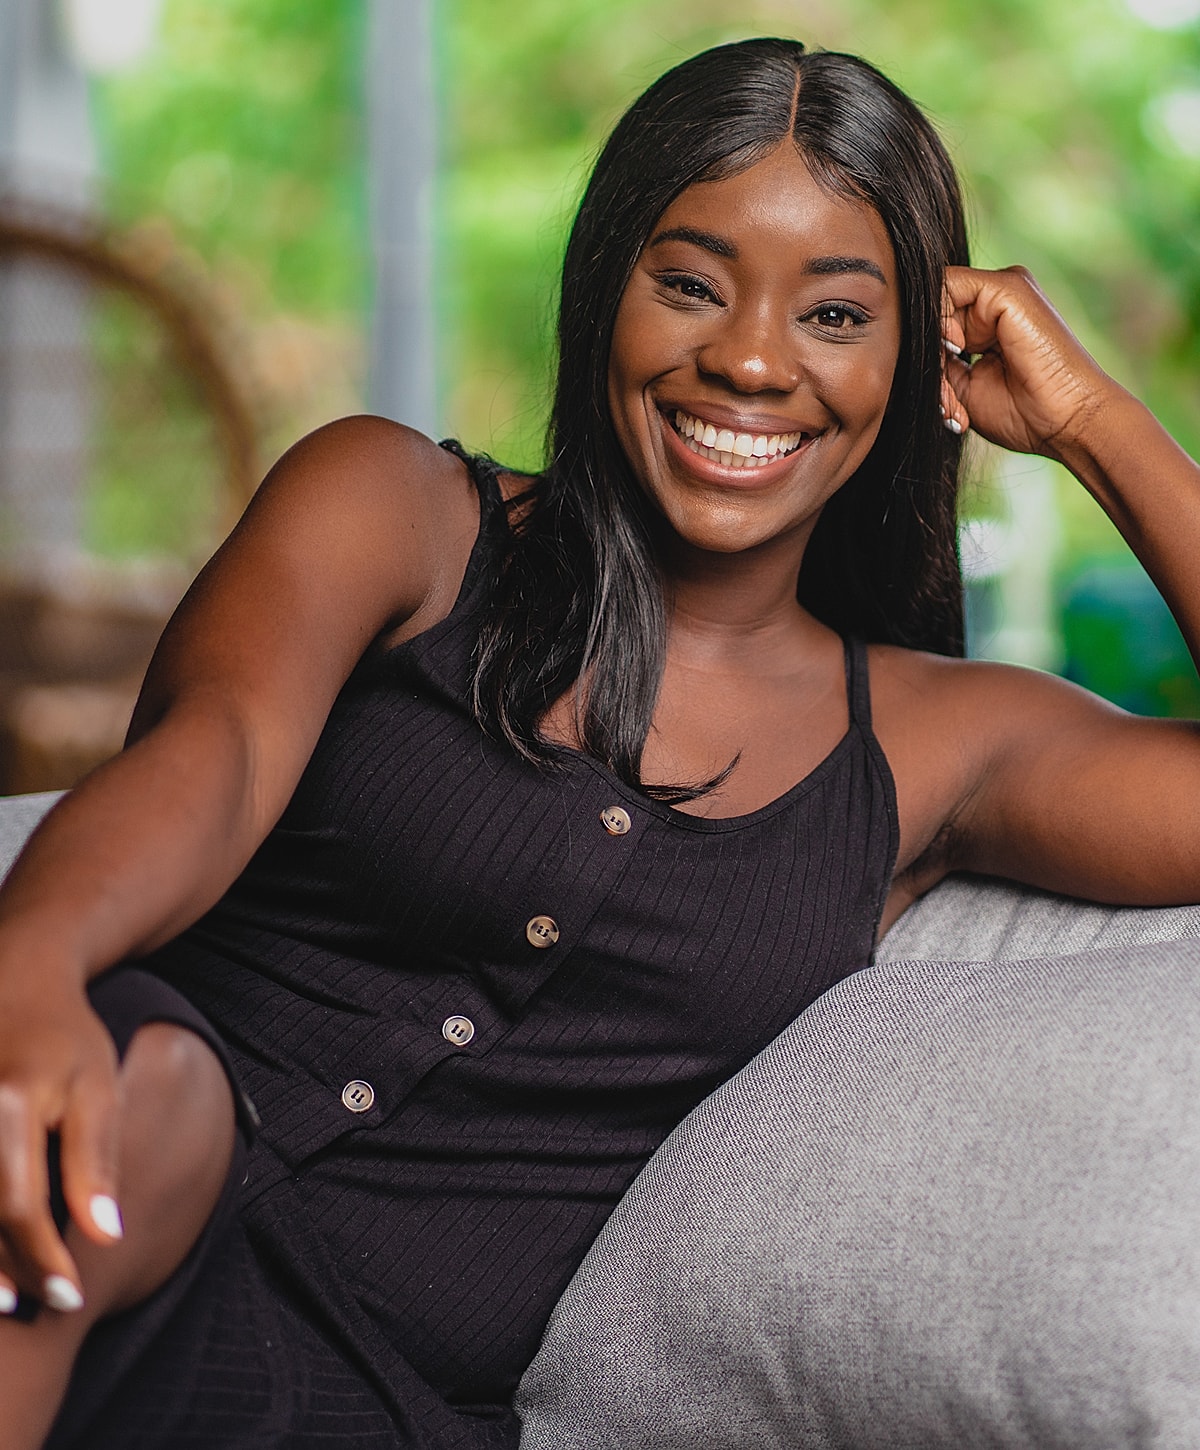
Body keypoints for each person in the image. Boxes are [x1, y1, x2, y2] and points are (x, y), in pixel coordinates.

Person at [1, 34, 1199, 1449]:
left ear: (909, 360)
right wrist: (34, 966)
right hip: (113, 1191)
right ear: (603, 289)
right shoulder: (394, 512)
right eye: (689, 284)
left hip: (374, 1413)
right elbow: (215, 758)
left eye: (834, 315)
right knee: (141, 1099)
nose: (748, 359)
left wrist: (1092, 420)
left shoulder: (941, 745)